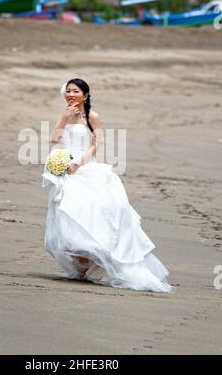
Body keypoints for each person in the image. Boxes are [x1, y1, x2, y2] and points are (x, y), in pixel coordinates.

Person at [42, 78, 174, 293]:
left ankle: (92, 264)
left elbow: (96, 146)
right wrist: (65, 119)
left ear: (85, 95)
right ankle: (82, 266)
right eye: (68, 91)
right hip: (67, 172)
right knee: (67, 218)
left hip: (84, 168)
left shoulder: (92, 117)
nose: (71, 95)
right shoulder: (65, 115)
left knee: (90, 216)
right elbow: (54, 138)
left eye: (76, 91)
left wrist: (78, 163)